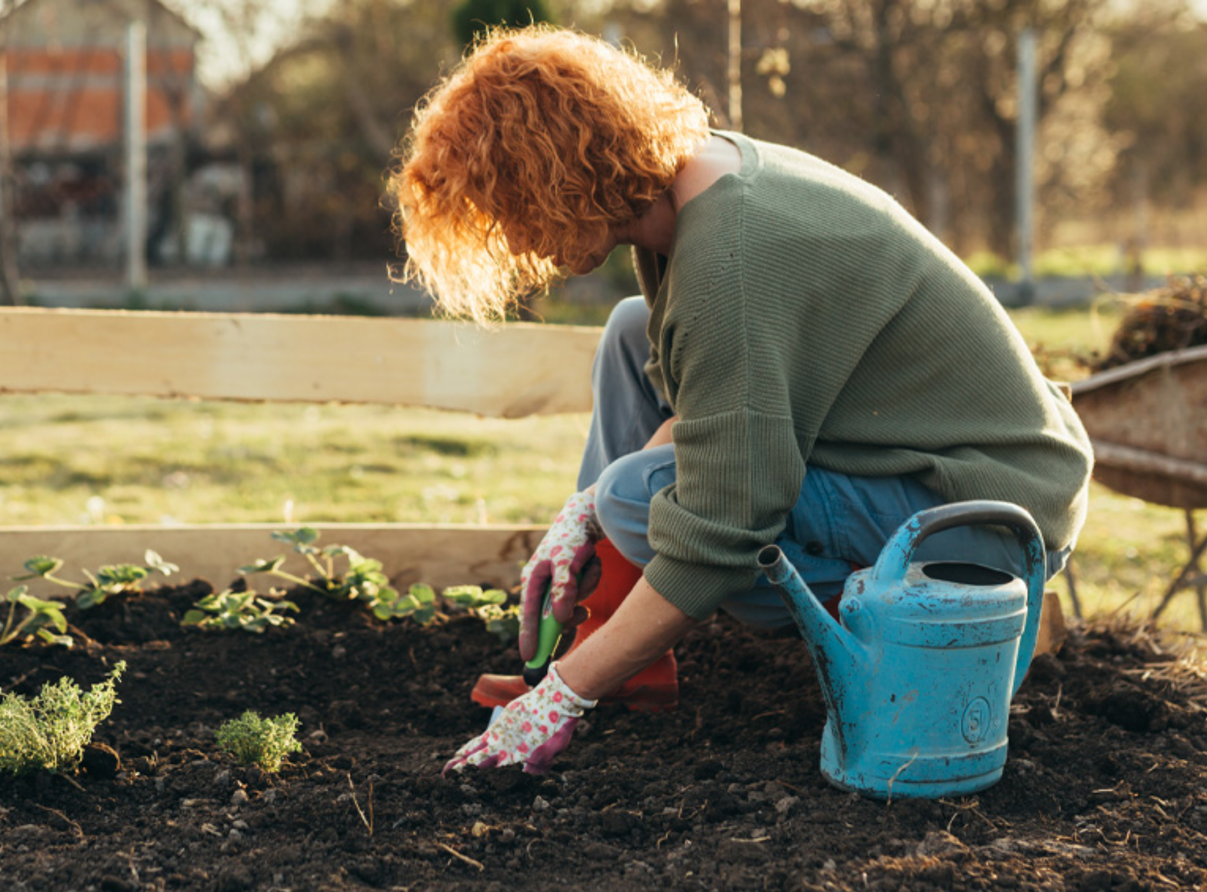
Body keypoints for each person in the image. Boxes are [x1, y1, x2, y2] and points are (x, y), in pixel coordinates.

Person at [386, 26, 1094, 775]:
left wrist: (560, 697)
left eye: (519, 209)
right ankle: (617, 646)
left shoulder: (730, 262)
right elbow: (719, 399)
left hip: (985, 521)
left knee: (641, 497)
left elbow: (727, 525)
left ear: (567, 170)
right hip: (935, 460)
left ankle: (885, 643)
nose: (522, 245)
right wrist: (578, 511)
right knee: (632, 334)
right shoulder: (698, 181)